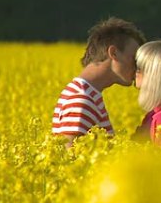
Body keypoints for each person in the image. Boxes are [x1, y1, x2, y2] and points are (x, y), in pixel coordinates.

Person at [52, 17, 146, 147]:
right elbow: (71, 163)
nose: (138, 68)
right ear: (114, 53)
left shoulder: (88, 95)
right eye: (134, 59)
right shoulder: (82, 100)